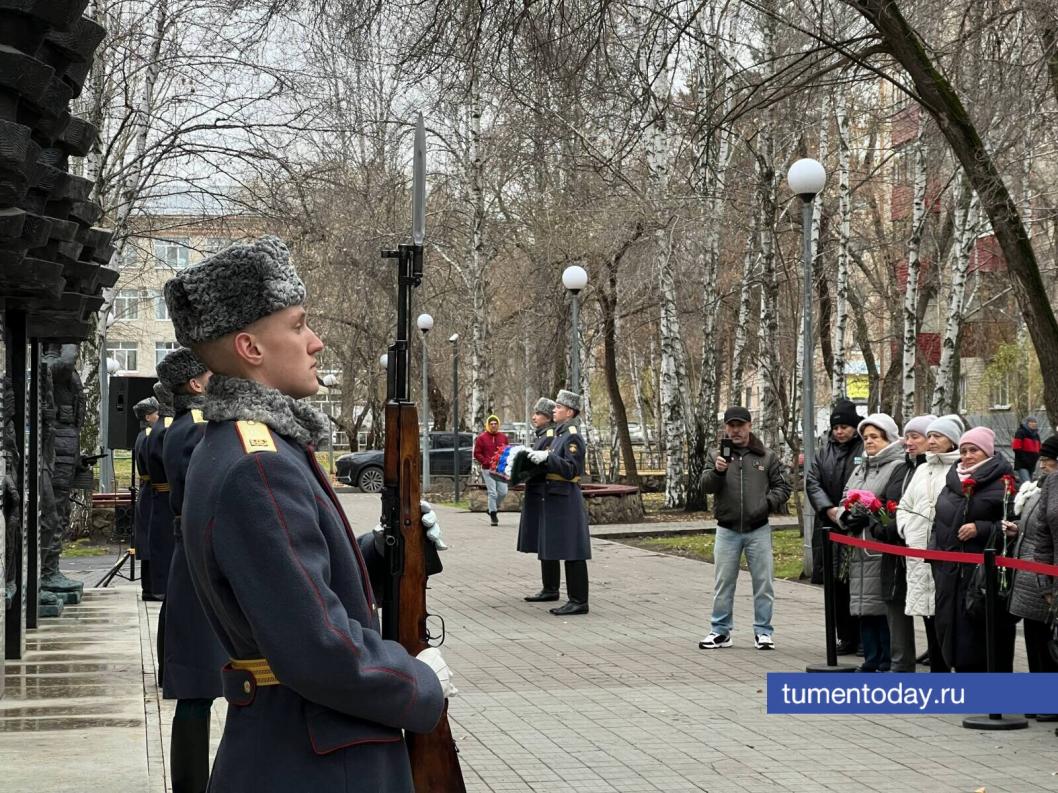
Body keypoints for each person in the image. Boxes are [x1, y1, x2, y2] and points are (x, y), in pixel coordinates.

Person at [164, 236, 451, 792]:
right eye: (297, 325)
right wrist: (415, 684)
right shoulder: (258, 464)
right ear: (250, 347)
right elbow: (319, 648)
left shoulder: (248, 446)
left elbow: (281, 580)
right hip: (317, 759)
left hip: (298, 747)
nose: (315, 342)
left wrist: (384, 547)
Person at [156, 348, 222, 793]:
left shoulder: (183, 425)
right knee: (198, 692)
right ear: (196, 385)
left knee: (198, 691)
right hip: (203, 564)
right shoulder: (199, 428)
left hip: (191, 560)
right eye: (210, 373)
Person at [698, 406, 791, 650]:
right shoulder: (716, 454)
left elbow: (783, 487)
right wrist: (718, 471)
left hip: (757, 528)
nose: (736, 430)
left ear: (750, 426)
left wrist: (765, 505)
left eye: (740, 425)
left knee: (763, 582)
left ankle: (763, 631)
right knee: (723, 583)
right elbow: (705, 486)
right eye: (731, 426)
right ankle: (720, 631)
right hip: (727, 529)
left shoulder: (766, 456)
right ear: (725, 428)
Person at [930, 426, 1018, 672]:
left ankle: (991, 694)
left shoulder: (1005, 482)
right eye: (964, 450)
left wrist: (982, 528)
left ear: (988, 452)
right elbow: (938, 521)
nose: (967, 456)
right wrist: (934, 555)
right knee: (952, 629)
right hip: (949, 571)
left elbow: (1014, 525)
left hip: (981, 575)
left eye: (974, 450)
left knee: (982, 634)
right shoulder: (953, 480)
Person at [836, 413, 906, 672]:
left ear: (888, 438)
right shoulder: (860, 467)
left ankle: (886, 657)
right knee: (863, 605)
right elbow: (845, 497)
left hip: (878, 545)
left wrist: (868, 514)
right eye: (865, 437)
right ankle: (871, 657)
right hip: (858, 546)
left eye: (875, 437)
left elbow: (890, 503)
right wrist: (846, 515)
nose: (869, 442)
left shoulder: (896, 466)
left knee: (880, 605)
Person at [899, 414, 963, 673]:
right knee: (927, 612)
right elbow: (905, 505)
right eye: (931, 436)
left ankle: (950, 667)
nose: (933, 441)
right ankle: (937, 669)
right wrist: (907, 528)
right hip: (917, 551)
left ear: (952, 441)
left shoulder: (958, 468)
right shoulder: (922, 469)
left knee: (946, 613)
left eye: (938, 436)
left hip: (946, 553)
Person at [525, 390, 592, 615]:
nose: (554, 410)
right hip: (555, 496)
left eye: (558, 408)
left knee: (573, 550)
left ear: (569, 412)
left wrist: (549, 458)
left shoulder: (572, 436)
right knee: (561, 547)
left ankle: (579, 600)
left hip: (566, 497)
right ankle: (571, 597)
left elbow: (572, 469)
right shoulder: (560, 434)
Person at [805, 398, 863, 654]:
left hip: (855, 524)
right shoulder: (824, 450)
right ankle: (844, 636)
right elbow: (812, 480)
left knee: (857, 584)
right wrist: (828, 508)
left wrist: (849, 510)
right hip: (829, 525)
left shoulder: (864, 448)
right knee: (836, 587)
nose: (840, 432)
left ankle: (862, 638)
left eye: (845, 427)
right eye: (836, 427)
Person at [879, 414, 934, 673]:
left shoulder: (932, 471)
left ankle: (938, 659)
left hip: (923, 549)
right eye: (907, 437)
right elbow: (886, 500)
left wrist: (898, 526)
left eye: (916, 437)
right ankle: (900, 663)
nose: (908, 442)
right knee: (895, 599)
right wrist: (880, 523)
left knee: (929, 605)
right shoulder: (901, 469)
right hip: (895, 548)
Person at [1009, 435, 1058, 697]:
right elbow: (1042, 534)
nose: (1042, 465)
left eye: (1047, 460)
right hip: (1038, 575)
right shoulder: (1047, 486)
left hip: (1040, 572)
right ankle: (1042, 698)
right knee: (1039, 640)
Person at [519, 397, 559, 602]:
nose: (533, 417)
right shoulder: (543, 435)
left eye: (538, 414)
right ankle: (549, 586)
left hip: (543, 493)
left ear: (547, 416)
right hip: (539, 492)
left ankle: (551, 588)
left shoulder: (550, 435)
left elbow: (545, 464)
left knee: (547, 541)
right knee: (544, 541)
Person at [132, 397, 160, 602]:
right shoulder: (150, 436)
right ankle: (152, 588)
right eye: (156, 413)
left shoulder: (143, 435)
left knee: (149, 540)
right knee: (152, 540)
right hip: (153, 491)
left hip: (147, 490)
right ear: (148, 416)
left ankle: (149, 587)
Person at [474, 414, 509, 525]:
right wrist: (485, 461)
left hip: (500, 469)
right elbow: (477, 453)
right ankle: (493, 514)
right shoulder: (482, 438)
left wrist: (505, 462)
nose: (493, 426)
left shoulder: (503, 437)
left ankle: (491, 508)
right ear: (488, 425)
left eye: (495, 424)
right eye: (491, 424)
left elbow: (507, 451)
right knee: (492, 492)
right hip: (488, 469)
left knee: (503, 492)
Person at [1013, 416, 1042, 484]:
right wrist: (1025, 459)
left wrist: (1037, 457)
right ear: (1027, 423)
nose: (1034, 424)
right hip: (1022, 464)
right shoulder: (1020, 432)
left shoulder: (1036, 435)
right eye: (1031, 422)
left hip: (1032, 465)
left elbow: (1039, 448)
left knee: (1029, 485)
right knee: (1026, 484)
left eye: (1035, 422)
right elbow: (1016, 448)